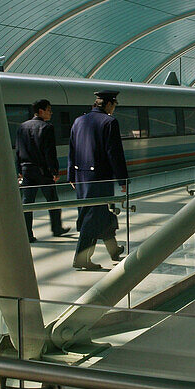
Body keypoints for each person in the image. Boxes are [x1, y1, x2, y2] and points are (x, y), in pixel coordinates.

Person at [68, 90, 128, 270]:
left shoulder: (78, 121)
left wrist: (71, 174)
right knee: (92, 217)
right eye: (114, 105)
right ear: (109, 104)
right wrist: (122, 179)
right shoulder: (109, 122)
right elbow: (114, 153)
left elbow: (72, 149)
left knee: (101, 213)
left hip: (81, 177)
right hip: (99, 178)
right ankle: (81, 258)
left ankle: (114, 250)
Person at [16, 99, 68, 242]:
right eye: (49, 110)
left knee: (27, 203)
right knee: (52, 200)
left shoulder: (22, 127)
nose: (51, 113)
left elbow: (18, 151)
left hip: (27, 170)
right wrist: (54, 171)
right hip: (43, 171)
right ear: (41, 111)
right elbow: (49, 152)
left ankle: (27, 234)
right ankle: (57, 228)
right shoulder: (46, 127)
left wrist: (19, 169)